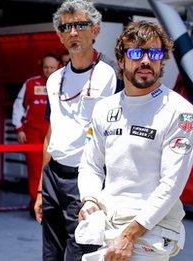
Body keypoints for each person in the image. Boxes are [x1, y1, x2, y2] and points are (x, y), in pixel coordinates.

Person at [77, 21, 193, 261]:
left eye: (154, 53)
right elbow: (90, 164)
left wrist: (130, 235)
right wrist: (89, 200)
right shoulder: (104, 108)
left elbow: (171, 184)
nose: (146, 60)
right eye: (136, 53)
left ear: (162, 60)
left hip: (151, 227)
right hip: (107, 223)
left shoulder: (178, 111)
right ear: (121, 61)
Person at [33, 0, 120, 260]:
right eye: (66, 27)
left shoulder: (111, 75)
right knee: (51, 253)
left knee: (81, 252)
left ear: (95, 30)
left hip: (87, 179)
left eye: (81, 25)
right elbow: (51, 134)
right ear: (59, 35)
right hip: (53, 177)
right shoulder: (54, 79)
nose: (73, 32)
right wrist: (40, 188)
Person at [11, 53, 60, 216]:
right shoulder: (31, 83)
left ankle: (53, 204)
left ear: (58, 67)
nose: (49, 70)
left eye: (52, 67)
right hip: (32, 134)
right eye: (46, 67)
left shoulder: (63, 82)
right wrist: (19, 128)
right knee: (35, 170)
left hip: (55, 133)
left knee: (54, 169)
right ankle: (36, 203)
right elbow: (18, 105)